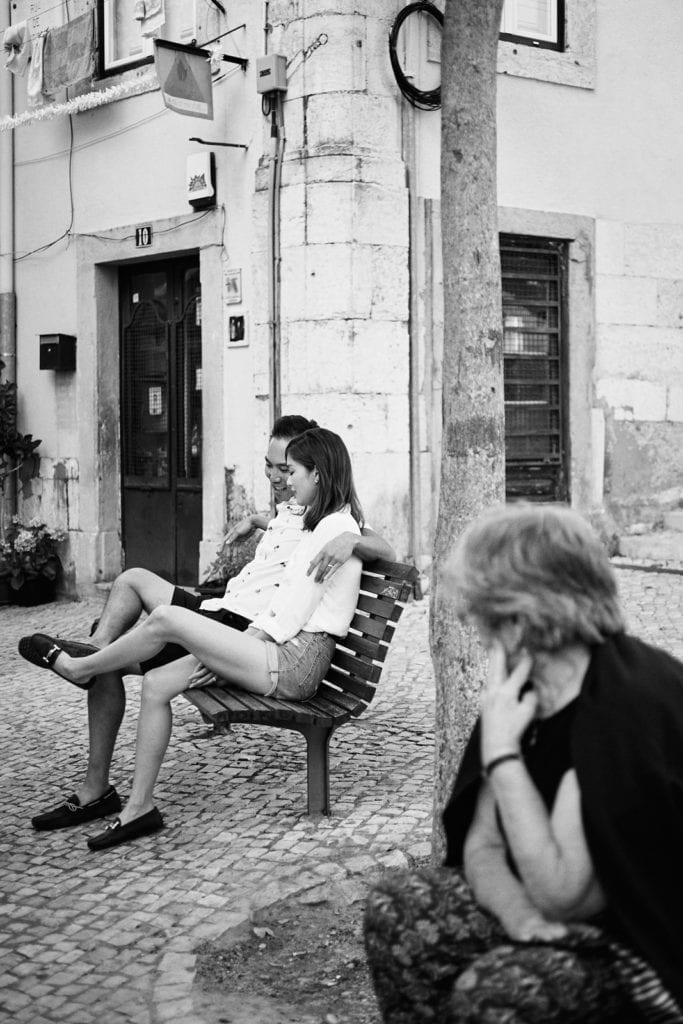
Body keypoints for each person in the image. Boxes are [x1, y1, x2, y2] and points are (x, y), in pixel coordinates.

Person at [364, 504, 683, 1024]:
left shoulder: (626, 710)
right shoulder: (527, 689)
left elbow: (564, 895)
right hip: (555, 909)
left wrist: (505, 758)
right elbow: (482, 844)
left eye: (480, 609)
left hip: (644, 945)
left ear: (521, 616)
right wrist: (517, 916)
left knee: (495, 994)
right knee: (396, 909)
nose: (470, 622)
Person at [23, 416, 394, 836]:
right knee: (158, 683)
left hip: (293, 660)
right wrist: (227, 651)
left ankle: (81, 666)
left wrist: (229, 650)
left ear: (318, 474)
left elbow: (290, 613)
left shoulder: (335, 528)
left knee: (164, 618)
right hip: (273, 646)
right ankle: (139, 808)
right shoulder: (314, 521)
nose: (284, 481)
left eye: (291, 472)